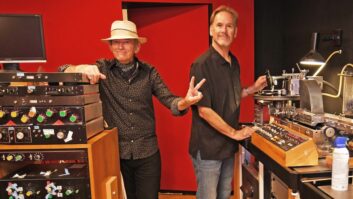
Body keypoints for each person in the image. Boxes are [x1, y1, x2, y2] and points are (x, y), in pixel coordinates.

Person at [59, 20, 205, 199]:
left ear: (136, 46)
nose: (120, 46)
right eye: (116, 42)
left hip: (147, 153)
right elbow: (64, 70)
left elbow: (170, 101)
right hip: (116, 154)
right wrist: (82, 68)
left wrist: (186, 102)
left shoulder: (149, 72)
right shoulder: (102, 69)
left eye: (126, 41)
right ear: (111, 46)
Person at [189, 5, 267, 199]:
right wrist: (235, 133)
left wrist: (253, 89)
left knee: (224, 194)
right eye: (219, 25)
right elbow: (204, 110)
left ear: (235, 32)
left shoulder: (234, 62)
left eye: (229, 26)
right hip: (208, 149)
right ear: (211, 30)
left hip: (227, 145)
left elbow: (230, 95)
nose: (224, 30)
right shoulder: (201, 65)